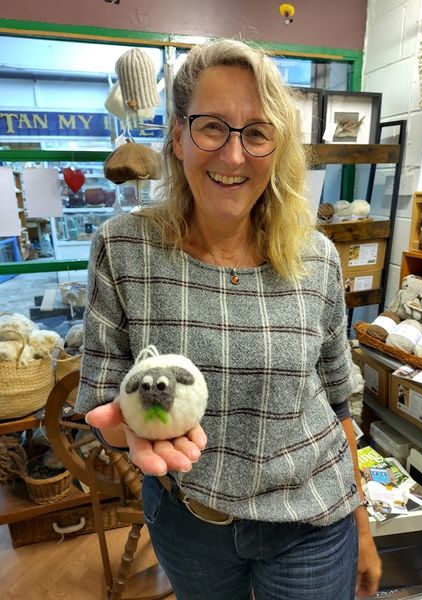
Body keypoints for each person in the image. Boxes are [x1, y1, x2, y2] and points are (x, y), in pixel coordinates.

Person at [77, 39, 382, 600]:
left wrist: (363, 527)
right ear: (177, 135)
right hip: (190, 522)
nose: (234, 155)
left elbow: (340, 402)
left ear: (277, 148)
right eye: (213, 127)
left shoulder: (315, 258)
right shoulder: (124, 249)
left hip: (313, 523)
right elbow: (103, 401)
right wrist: (133, 431)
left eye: (257, 133)